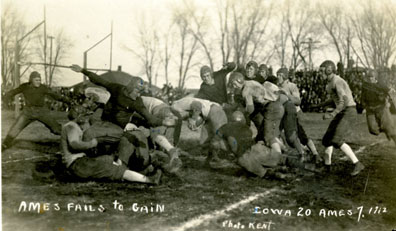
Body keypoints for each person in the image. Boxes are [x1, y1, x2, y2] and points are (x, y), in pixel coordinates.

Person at [61, 105, 162, 184]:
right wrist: (93, 143)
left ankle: (138, 174)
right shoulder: (71, 127)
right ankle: (149, 180)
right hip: (78, 164)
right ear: (79, 116)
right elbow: (74, 144)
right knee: (113, 169)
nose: (86, 119)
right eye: (84, 116)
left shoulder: (72, 126)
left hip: (79, 163)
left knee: (108, 159)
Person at [70, 64, 175, 129]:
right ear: (130, 87)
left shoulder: (137, 101)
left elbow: (150, 118)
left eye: (140, 92)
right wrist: (83, 70)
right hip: (105, 121)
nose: (138, 95)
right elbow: (100, 80)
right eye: (137, 91)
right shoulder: (117, 88)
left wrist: (163, 122)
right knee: (91, 122)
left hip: (119, 128)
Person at [315, 60, 364, 176]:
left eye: (322, 71)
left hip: (349, 111)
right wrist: (319, 105)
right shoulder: (330, 83)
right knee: (327, 140)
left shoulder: (337, 81)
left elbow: (344, 101)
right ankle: (327, 167)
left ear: (329, 69)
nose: (320, 73)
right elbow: (334, 99)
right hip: (342, 111)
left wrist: (332, 114)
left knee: (336, 139)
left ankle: (357, 163)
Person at [2, 71, 70, 150]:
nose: (39, 82)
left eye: (39, 80)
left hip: (41, 111)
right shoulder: (24, 86)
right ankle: (5, 145)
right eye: (36, 80)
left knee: (55, 128)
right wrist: (5, 97)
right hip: (28, 112)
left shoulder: (43, 87)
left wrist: (67, 101)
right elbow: (14, 92)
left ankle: (71, 139)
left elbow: (55, 95)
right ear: (31, 80)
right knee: (16, 128)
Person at [228, 72, 286, 156]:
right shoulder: (249, 82)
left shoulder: (245, 90)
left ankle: (279, 157)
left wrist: (242, 112)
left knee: (268, 136)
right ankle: (284, 148)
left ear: (239, 80)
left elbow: (251, 109)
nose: (234, 86)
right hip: (277, 105)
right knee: (267, 133)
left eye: (234, 83)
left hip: (271, 107)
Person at [275, 68, 323, 164]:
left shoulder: (292, 86)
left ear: (285, 76)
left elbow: (298, 101)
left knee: (302, 136)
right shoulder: (276, 87)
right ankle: (297, 152)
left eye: (280, 75)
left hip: (295, 114)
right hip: (283, 115)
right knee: (280, 135)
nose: (278, 77)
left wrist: (287, 95)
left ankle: (315, 154)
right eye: (278, 75)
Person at [171, 97, 228, 164]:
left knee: (219, 138)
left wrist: (193, 119)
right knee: (205, 141)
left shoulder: (176, 106)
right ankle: (212, 159)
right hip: (208, 115)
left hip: (215, 111)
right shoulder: (179, 105)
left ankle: (236, 155)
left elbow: (197, 105)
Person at [361, 70, 396, 145]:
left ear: (375, 77)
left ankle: (388, 131)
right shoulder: (365, 86)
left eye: (372, 77)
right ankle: (385, 129)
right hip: (370, 109)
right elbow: (362, 97)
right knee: (373, 130)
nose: (370, 79)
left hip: (381, 109)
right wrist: (362, 106)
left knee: (390, 130)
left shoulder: (381, 85)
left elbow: (390, 92)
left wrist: (389, 102)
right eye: (369, 77)